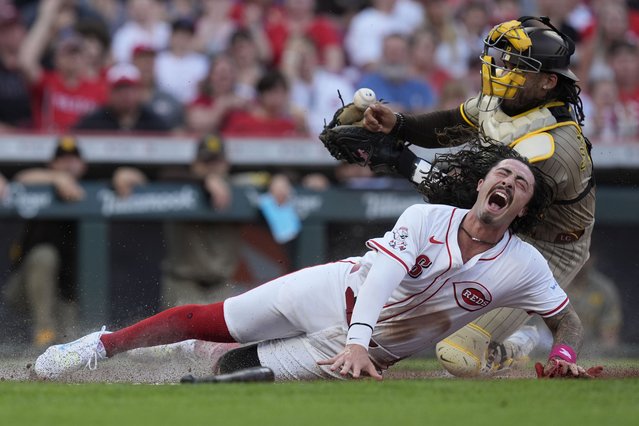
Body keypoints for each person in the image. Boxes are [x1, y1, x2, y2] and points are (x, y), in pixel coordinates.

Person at [34, 140, 595, 381]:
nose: (509, 182)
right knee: (207, 316)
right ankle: (97, 347)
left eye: (520, 184)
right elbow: (382, 282)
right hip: (338, 294)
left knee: (231, 370)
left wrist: (565, 352)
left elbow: (563, 319)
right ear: (481, 183)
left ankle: (201, 353)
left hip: (363, 347)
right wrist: (356, 340)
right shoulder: (428, 219)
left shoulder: (523, 263)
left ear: (521, 208)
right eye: (502, 173)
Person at [356, 16, 595, 377]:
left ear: (548, 82)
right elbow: (450, 124)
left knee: (457, 354)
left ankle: (515, 345)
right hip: (500, 230)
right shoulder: (504, 103)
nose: (505, 68)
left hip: (547, 245)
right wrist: (398, 125)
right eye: (507, 59)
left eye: (520, 66)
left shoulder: (552, 146)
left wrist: (402, 160)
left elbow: (477, 201)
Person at [112, 134, 242, 308]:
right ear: (195, 163)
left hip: (221, 285)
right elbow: (165, 175)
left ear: (227, 163)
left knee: (223, 335)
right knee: (182, 336)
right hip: (183, 283)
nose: (212, 168)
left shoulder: (239, 187)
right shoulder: (179, 182)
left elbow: (266, 178)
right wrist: (204, 181)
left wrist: (279, 180)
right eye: (206, 162)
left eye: (216, 162)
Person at [2, 136, 88, 348]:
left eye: (73, 159)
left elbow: (129, 176)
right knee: (44, 255)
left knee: (71, 345)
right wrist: (57, 178)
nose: (68, 164)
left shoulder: (91, 184)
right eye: (62, 159)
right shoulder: (42, 182)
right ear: (52, 164)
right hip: (24, 289)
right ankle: (44, 331)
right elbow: (22, 178)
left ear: (83, 165)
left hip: (68, 295)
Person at [74, 63, 172, 132]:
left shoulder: (153, 123)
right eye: (119, 89)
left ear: (139, 91)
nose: (125, 94)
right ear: (110, 93)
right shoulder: (94, 122)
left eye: (130, 89)